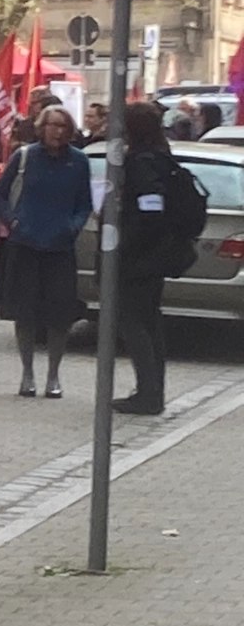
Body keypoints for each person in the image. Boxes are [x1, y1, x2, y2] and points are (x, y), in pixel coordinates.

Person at [0, 105, 93, 398]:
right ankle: (27, 374)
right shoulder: (24, 157)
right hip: (25, 245)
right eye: (51, 125)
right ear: (41, 127)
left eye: (62, 126)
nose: (57, 131)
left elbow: (84, 203)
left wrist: (72, 226)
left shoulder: (79, 162)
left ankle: (54, 376)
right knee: (25, 312)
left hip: (60, 248)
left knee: (60, 316)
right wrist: (14, 222)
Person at [113, 102, 193, 415]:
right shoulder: (161, 155)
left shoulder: (142, 161)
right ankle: (151, 390)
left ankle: (148, 394)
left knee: (134, 323)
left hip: (140, 256)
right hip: (154, 253)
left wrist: (129, 240)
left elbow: (150, 209)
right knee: (148, 321)